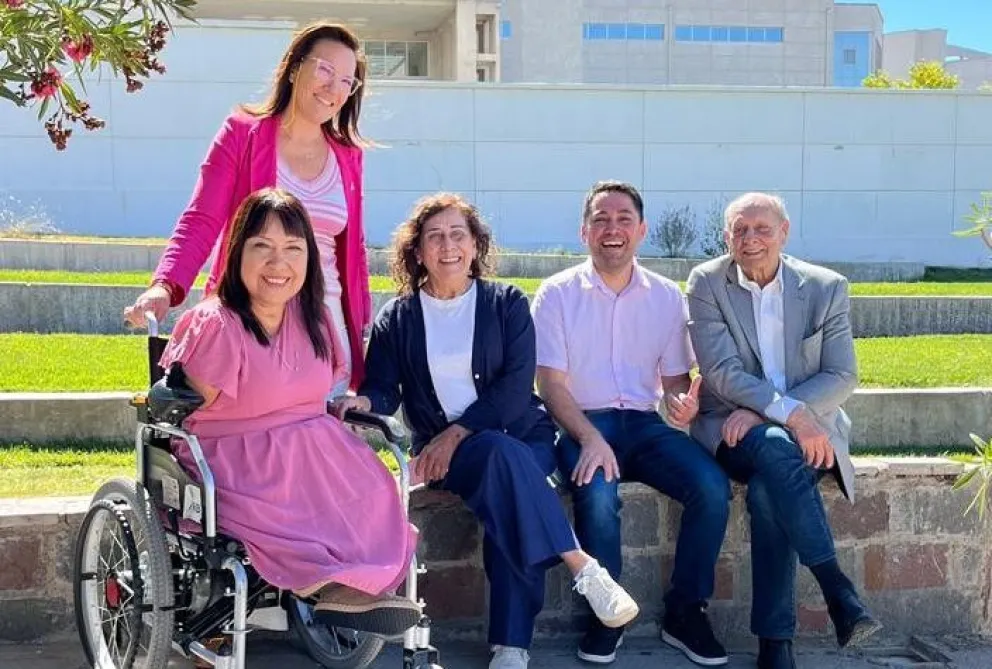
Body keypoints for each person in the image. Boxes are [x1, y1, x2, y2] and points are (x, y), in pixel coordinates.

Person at [332, 193, 639, 669]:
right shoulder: (399, 316)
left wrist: (455, 433)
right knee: (505, 469)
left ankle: (512, 646)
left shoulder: (506, 303)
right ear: (417, 252)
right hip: (450, 456)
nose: (447, 246)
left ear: (475, 246)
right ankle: (574, 576)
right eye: (435, 237)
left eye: (458, 234)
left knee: (506, 477)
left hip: (521, 436)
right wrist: (364, 402)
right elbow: (383, 388)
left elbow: (515, 389)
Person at [158, 188, 420, 635]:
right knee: (291, 504)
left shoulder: (314, 318)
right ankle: (332, 586)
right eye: (262, 246)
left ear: (309, 258)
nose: (278, 263)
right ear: (238, 252)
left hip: (311, 444)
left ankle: (360, 587)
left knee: (373, 489)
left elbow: (316, 388)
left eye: (293, 249)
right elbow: (185, 406)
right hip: (235, 452)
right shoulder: (217, 323)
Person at [533, 180, 731, 667]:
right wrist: (590, 438)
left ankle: (685, 612)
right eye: (601, 219)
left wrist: (681, 404)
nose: (612, 229)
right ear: (584, 232)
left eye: (624, 219)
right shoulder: (556, 294)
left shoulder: (666, 296)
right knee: (598, 494)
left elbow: (675, 381)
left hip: (643, 424)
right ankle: (608, 617)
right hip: (582, 423)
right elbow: (550, 385)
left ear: (641, 230)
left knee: (712, 486)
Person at [684, 192, 882, 669]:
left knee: (768, 490)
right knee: (774, 447)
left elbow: (842, 375)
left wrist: (772, 413)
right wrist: (785, 415)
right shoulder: (707, 282)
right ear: (727, 236)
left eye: (762, 229)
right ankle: (837, 591)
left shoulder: (826, 287)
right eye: (739, 230)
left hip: (805, 432)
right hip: (731, 430)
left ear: (785, 232)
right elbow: (722, 373)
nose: (750, 239)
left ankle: (777, 645)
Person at [126, 21, 372, 397]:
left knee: (322, 426)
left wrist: (362, 324)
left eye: (346, 81)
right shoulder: (242, 134)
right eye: (325, 70)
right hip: (253, 315)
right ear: (295, 68)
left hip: (325, 323)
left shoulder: (348, 155)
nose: (333, 88)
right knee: (255, 422)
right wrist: (166, 286)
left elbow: (354, 250)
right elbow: (201, 218)